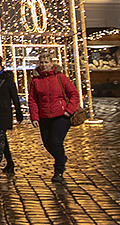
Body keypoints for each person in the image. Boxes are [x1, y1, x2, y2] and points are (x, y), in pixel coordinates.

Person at [27, 51, 81, 184]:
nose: (44, 65)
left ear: (52, 63)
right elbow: (33, 100)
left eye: (46, 62)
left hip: (61, 116)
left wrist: (69, 111)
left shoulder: (60, 77)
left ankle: (58, 171)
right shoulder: (35, 80)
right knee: (47, 144)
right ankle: (61, 158)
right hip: (44, 116)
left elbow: (74, 94)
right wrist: (34, 117)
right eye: (42, 62)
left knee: (56, 141)